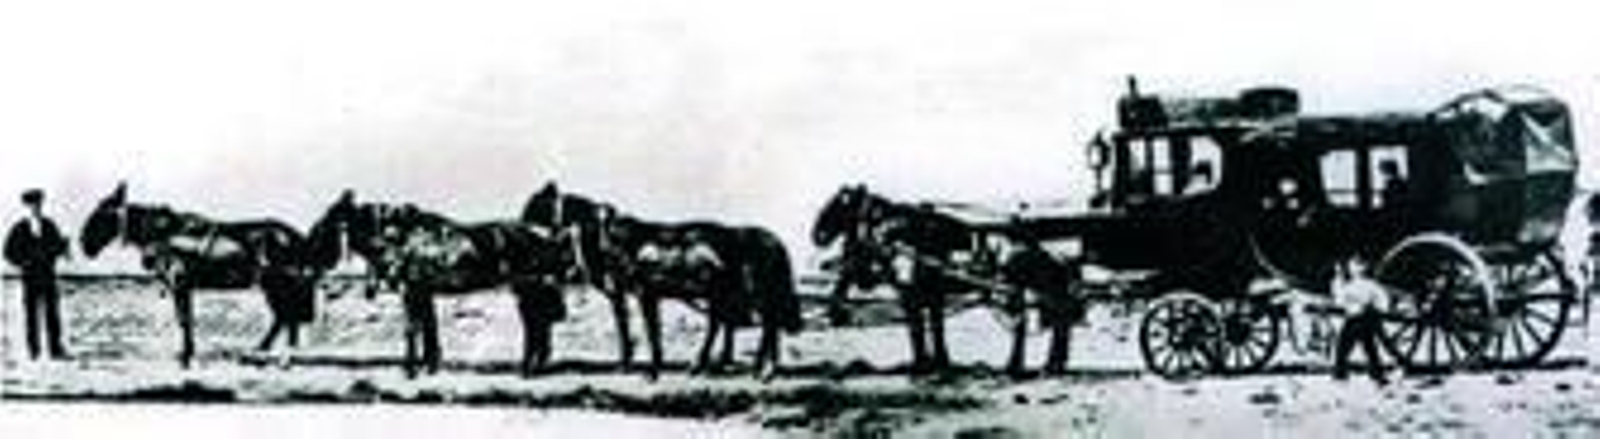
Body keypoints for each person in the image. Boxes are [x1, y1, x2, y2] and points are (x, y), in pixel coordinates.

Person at [5, 189, 70, 360]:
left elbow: (57, 247)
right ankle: (34, 351)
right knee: (31, 315)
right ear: (26, 207)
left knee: (52, 314)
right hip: (30, 277)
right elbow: (8, 252)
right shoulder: (19, 228)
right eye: (32, 205)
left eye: (38, 204)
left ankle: (55, 350)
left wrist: (63, 247)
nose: (36, 208)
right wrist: (23, 263)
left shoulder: (49, 225)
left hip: (48, 276)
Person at [1332, 264, 1389, 385]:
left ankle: (1340, 373)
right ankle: (1378, 374)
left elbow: (1340, 301)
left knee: (1345, 346)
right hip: (1363, 318)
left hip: (1356, 319)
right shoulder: (1371, 285)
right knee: (1369, 347)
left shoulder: (1355, 285)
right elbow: (1383, 302)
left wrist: (1361, 308)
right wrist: (1376, 309)